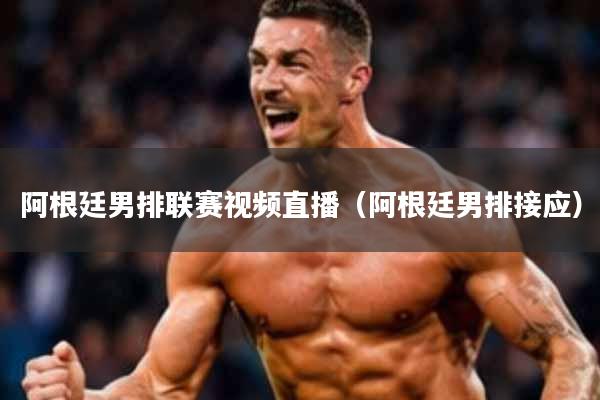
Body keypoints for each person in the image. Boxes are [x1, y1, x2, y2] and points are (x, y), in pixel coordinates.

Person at [22, 1, 600, 399]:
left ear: (355, 80)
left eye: (293, 63)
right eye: (258, 64)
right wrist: (87, 395)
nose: (267, 83)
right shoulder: (224, 231)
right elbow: (161, 386)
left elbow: (569, 352)